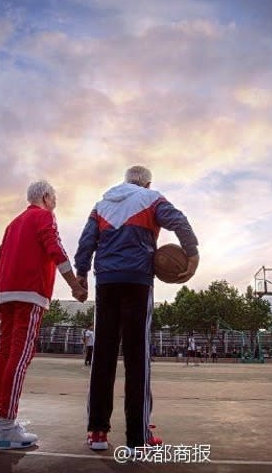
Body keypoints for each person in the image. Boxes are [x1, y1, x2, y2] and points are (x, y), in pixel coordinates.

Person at [74, 165, 199, 451]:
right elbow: (180, 222)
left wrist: (81, 274)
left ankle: (97, 433)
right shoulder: (151, 199)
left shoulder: (101, 204)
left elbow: (86, 242)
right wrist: (192, 255)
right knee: (137, 358)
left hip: (105, 282)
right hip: (137, 281)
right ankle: (137, 438)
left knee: (103, 356)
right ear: (147, 183)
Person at [0, 180, 87, 450]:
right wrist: (74, 284)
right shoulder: (44, 216)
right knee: (20, 356)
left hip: (7, 293)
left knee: (4, 356)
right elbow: (55, 249)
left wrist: (0, 296)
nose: (56, 202)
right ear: (47, 197)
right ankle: (6, 427)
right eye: (55, 197)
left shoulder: (13, 223)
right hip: (30, 293)